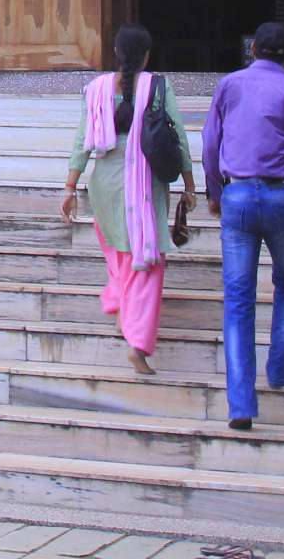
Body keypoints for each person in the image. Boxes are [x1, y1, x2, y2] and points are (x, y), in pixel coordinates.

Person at [203, 20, 284, 431]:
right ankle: (278, 367)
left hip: (236, 195)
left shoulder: (229, 85)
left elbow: (209, 143)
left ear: (252, 48)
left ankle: (241, 403)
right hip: (280, 197)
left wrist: (214, 193)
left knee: (238, 299)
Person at [61, 25, 197, 376]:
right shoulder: (158, 87)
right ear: (148, 56)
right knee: (147, 262)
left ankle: (119, 303)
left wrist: (70, 188)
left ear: (117, 54)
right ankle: (137, 343)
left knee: (119, 251)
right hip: (145, 183)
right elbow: (178, 137)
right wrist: (190, 184)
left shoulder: (96, 90)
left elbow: (82, 141)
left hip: (104, 182)